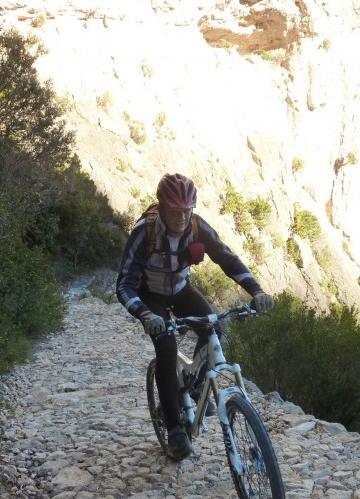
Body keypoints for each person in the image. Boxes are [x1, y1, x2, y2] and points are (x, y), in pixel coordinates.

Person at [116, 173, 274, 461]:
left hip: (181, 289)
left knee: (215, 325)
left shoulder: (197, 227)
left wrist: (257, 290)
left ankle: (197, 383)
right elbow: (125, 283)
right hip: (151, 296)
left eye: (188, 210)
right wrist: (145, 313)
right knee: (166, 348)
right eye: (176, 211)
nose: (182, 217)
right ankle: (175, 429)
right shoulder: (144, 232)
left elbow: (226, 258)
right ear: (162, 206)